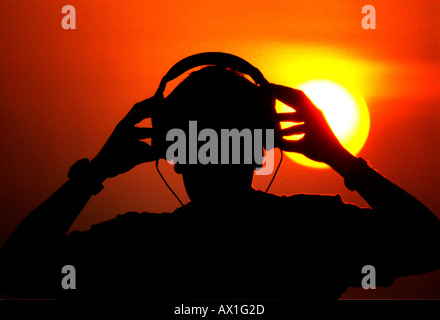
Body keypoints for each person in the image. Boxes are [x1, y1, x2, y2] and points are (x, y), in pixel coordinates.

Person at [1, 66, 439, 299]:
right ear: (264, 148)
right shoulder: (314, 230)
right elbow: (427, 244)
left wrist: (94, 173)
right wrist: (342, 160)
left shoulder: (135, 246)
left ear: (173, 152)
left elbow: (15, 273)